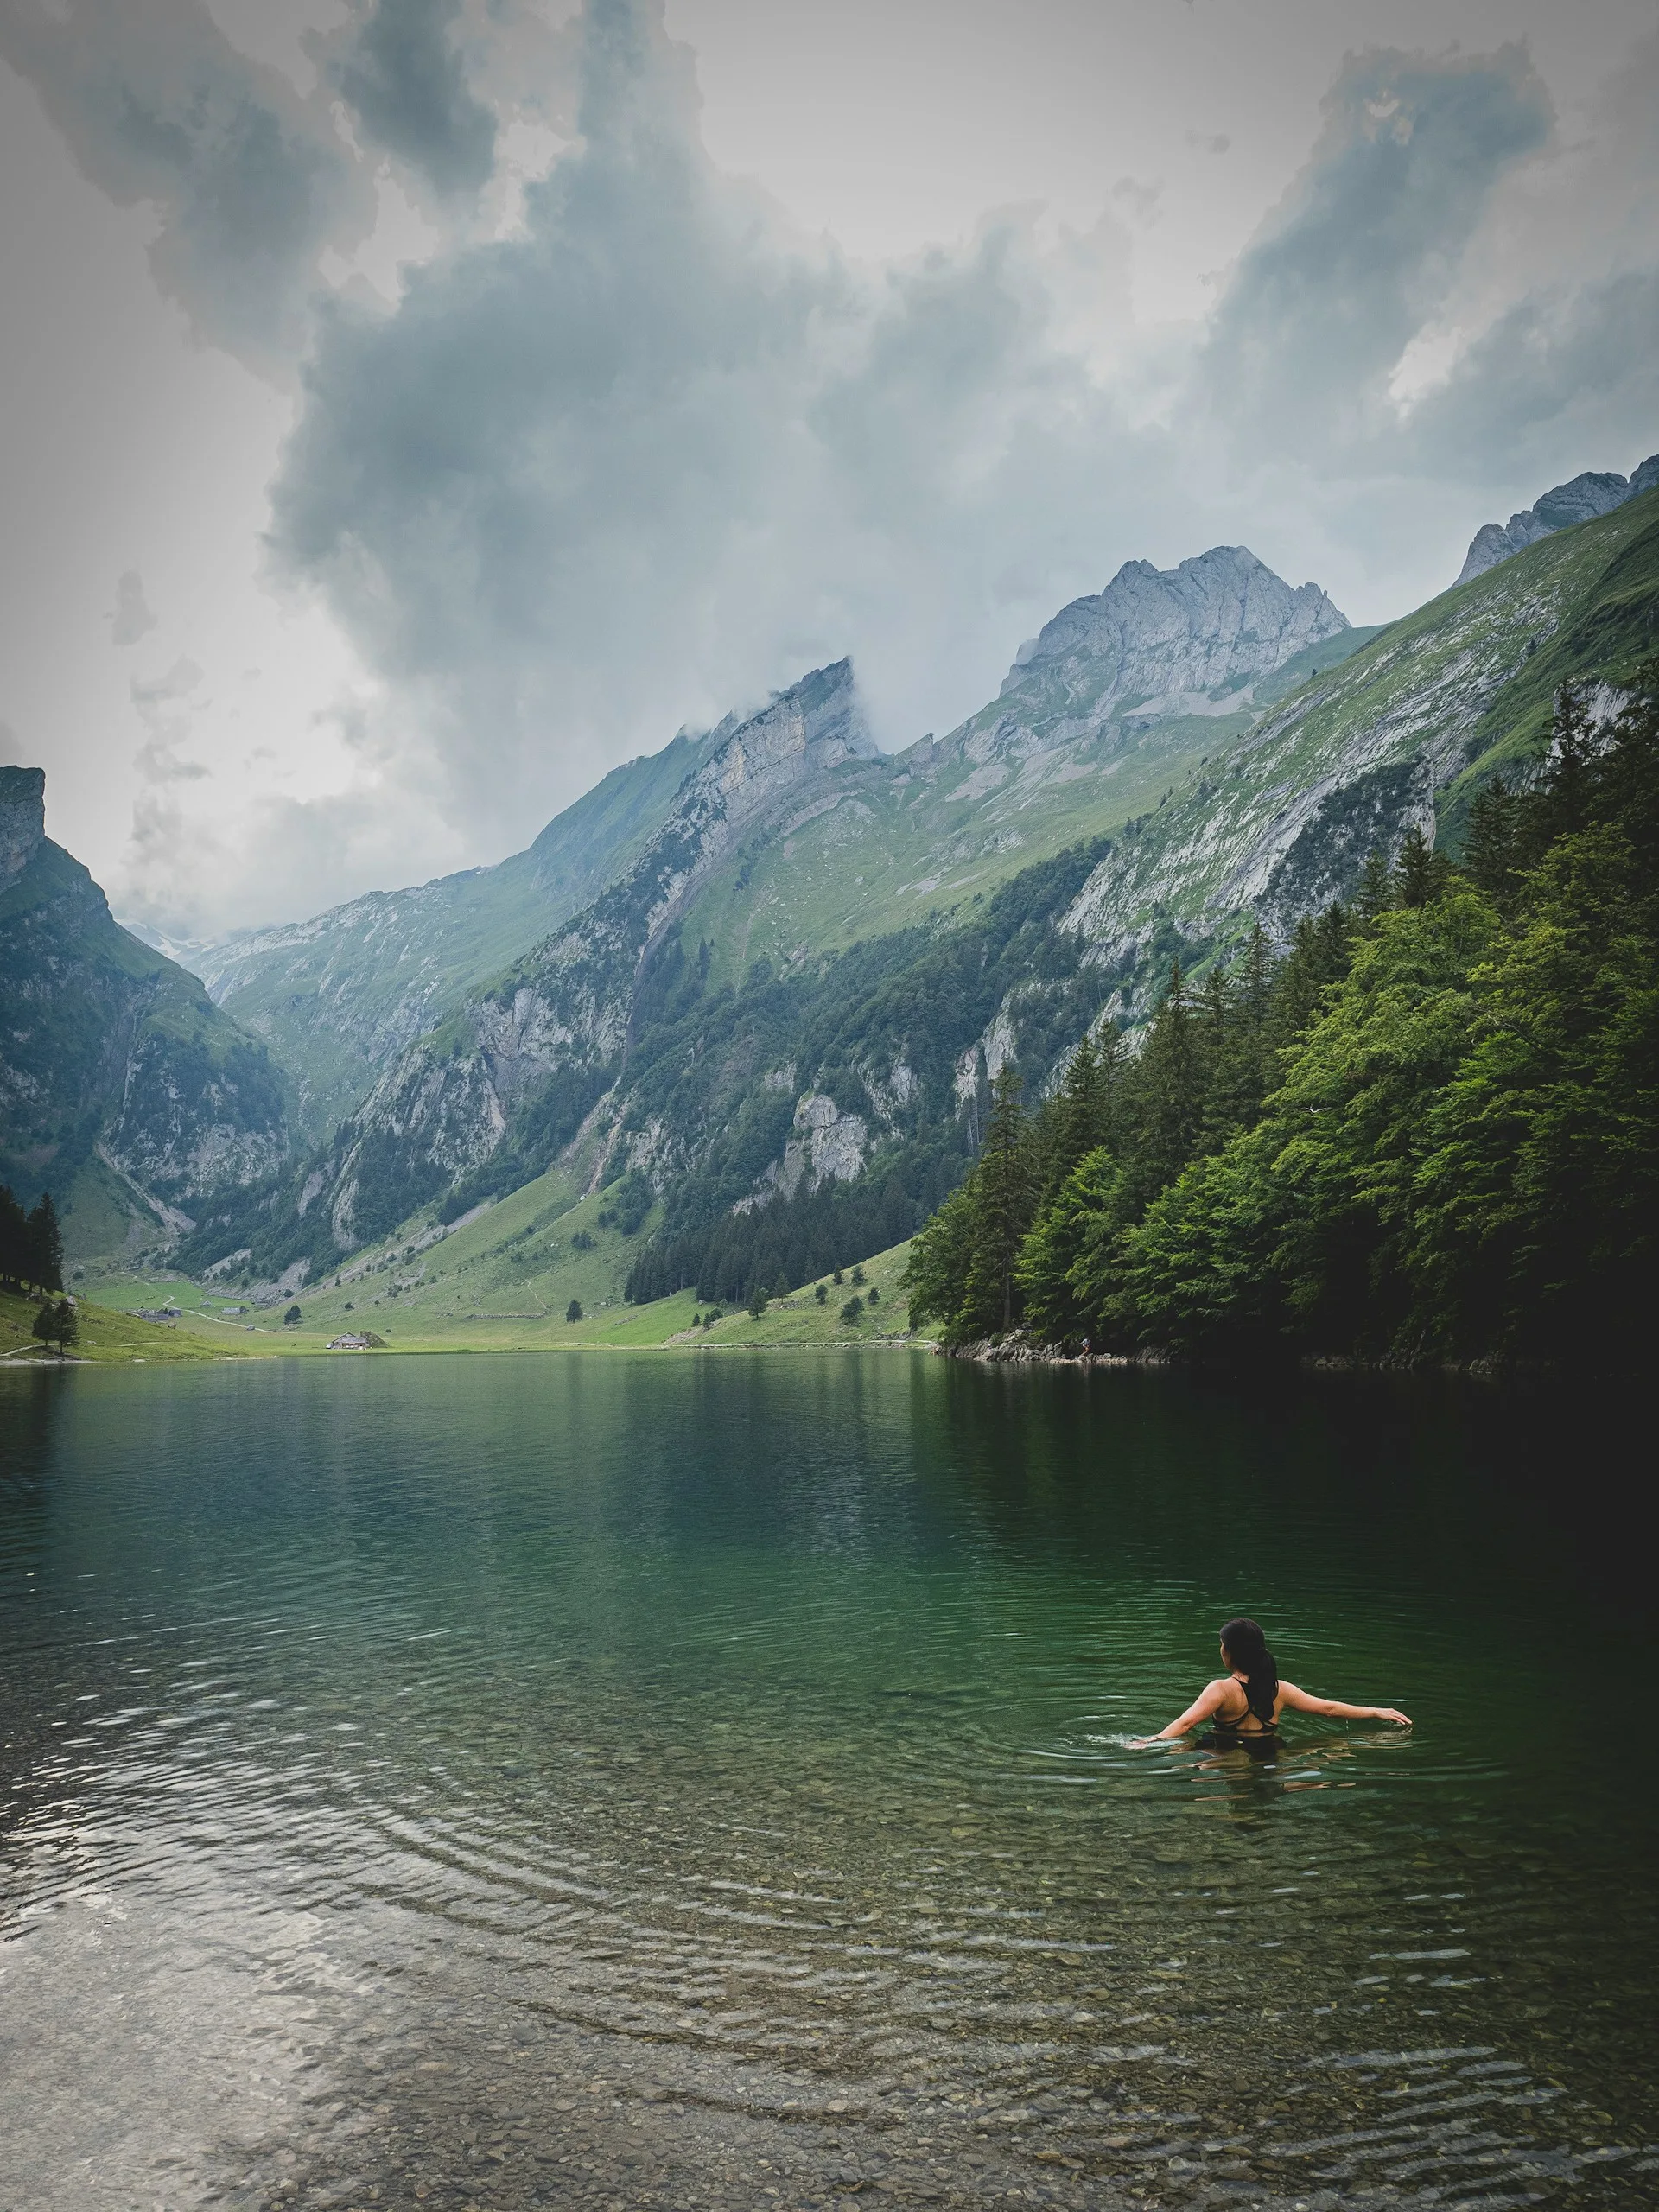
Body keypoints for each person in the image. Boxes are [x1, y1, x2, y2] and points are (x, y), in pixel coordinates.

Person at [1142, 1617, 1410, 1743]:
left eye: (1222, 1645)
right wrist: (1376, 1711)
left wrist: (1150, 1741)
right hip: (1269, 1754)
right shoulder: (1280, 1689)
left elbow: (1186, 1723)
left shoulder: (1221, 1689)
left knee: (1188, 1762)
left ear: (1231, 1653)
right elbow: (1329, 1709)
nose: (1220, 1649)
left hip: (1222, 1753)